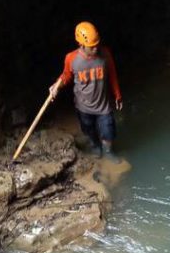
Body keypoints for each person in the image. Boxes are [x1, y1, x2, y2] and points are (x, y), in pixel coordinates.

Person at [48, 21, 123, 160]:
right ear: (81, 45)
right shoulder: (71, 58)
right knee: (89, 130)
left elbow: (112, 74)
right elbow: (66, 76)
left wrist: (117, 95)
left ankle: (108, 152)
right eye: (92, 46)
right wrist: (56, 86)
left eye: (97, 44)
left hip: (103, 106)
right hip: (83, 106)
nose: (96, 48)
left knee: (108, 130)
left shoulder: (105, 54)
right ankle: (96, 146)